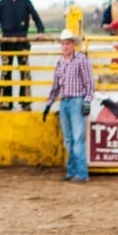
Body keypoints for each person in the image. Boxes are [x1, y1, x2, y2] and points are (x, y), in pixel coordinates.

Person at [43, 29, 95, 183]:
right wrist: (49, 103)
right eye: (63, 43)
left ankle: (81, 173)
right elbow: (56, 86)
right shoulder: (60, 63)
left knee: (77, 138)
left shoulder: (81, 60)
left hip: (76, 100)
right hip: (65, 101)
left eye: (67, 43)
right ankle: (73, 172)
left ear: (73, 45)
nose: (65, 46)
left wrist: (87, 101)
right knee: (69, 139)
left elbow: (89, 83)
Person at [0, 0, 46, 111]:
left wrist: (40, 31)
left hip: (22, 39)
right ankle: (5, 102)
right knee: (6, 71)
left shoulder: (25, 1)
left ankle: (25, 101)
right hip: (6, 40)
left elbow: (36, 16)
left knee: (24, 70)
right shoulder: (2, 2)